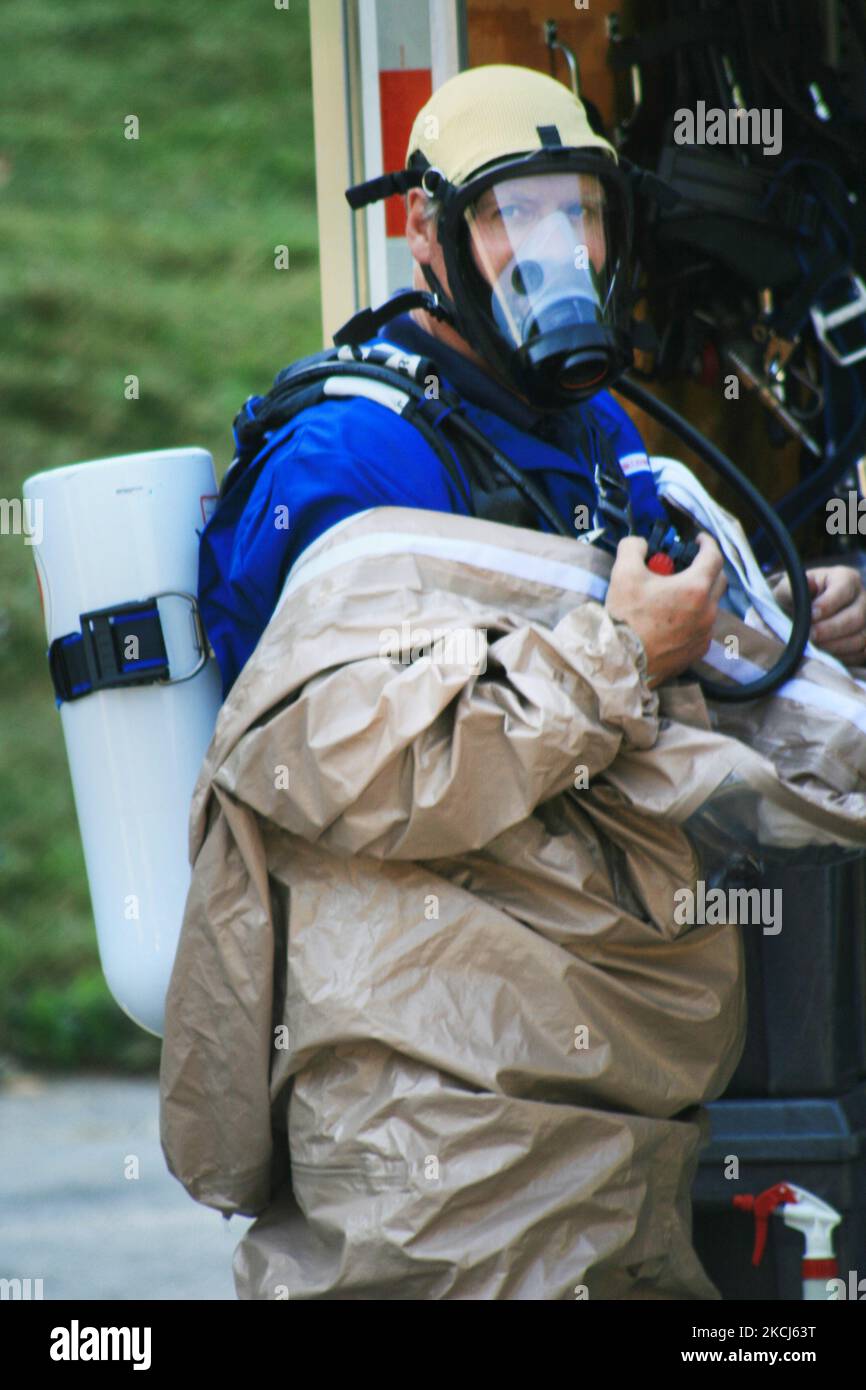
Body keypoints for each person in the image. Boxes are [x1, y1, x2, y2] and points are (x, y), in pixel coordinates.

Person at [159, 64, 866, 1301]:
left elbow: (644, 659)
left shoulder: (601, 429)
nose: (556, 250)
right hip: (431, 1100)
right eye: (509, 214)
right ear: (426, 232)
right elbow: (340, 765)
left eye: (576, 211)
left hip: (616, 1100)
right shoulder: (348, 453)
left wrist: (769, 625)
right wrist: (622, 650)